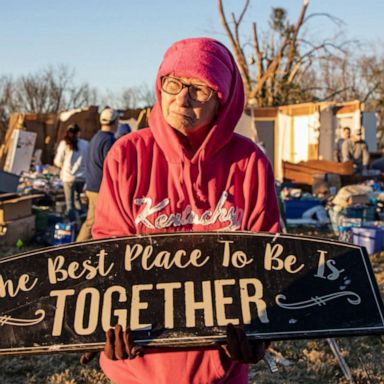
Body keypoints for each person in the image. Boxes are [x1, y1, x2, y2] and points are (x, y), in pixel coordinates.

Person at [89, 37, 280, 384]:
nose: (181, 98)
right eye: (173, 83)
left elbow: (268, 258)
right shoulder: (126, 155)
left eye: (199, 88)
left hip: (222, 363)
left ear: (222, 99)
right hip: (139, 362)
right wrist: (103, 323)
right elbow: (109, 250)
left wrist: (262, 330)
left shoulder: (249, 162)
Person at [76, 107, 119, 242]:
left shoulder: (96, 137)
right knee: (93, 222)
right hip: (100, 189)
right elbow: (112, 166)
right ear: (115, 122)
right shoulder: (109, 140)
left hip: (92, 186)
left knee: (94, 221)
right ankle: (77, 249)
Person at [53, 124, 88, 222]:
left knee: (70, 205)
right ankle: (83, 219)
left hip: (68, 178)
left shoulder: (64, 144)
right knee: (78, 200)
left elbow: (58, 161)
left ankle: (72, 224)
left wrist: (61, 166)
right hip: (82, 178)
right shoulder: (85, 144)